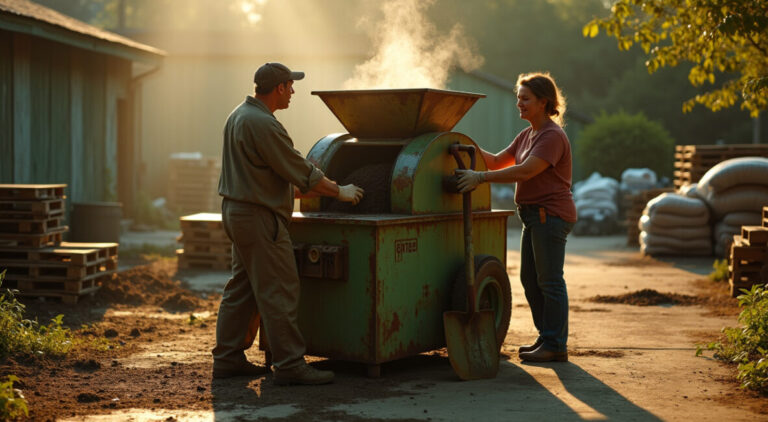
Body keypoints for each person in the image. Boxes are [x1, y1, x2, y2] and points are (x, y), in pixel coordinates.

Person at [212, 62, 364, 384]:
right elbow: (301, 170)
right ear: (279, 88)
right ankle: (290, 365)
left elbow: (263, 173)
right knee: (279, 288)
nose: (293, 92)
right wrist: (340, 191)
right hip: (259, 218)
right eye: (290, 86)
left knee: (242, 288)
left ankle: (227, 358)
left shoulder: (238, 115)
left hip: (238, 212)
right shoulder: (264, 124)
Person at [456, 72, 576, 363]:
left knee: (549, 281)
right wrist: (463, 144)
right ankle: (547, 337)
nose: (519, 104)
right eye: (518, 99)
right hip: (533, 216)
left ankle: (555, 344)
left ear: (543, 102)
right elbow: (498, 160)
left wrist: (479, 177)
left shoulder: (551, 136)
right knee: (530, 279)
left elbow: (525, 171)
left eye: (525, 99)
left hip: (550, 215)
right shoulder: (528, 134)